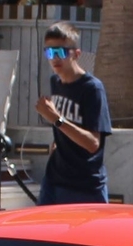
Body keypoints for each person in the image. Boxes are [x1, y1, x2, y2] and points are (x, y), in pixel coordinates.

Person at [35, 21, 110, 205]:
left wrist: (56, 119)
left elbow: (93, 144)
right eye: (49, 52)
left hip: (85, 186)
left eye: (60, 52)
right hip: (54, 179)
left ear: (76, 54)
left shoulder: (92, 88)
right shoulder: (56, 82)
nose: (54, 58)